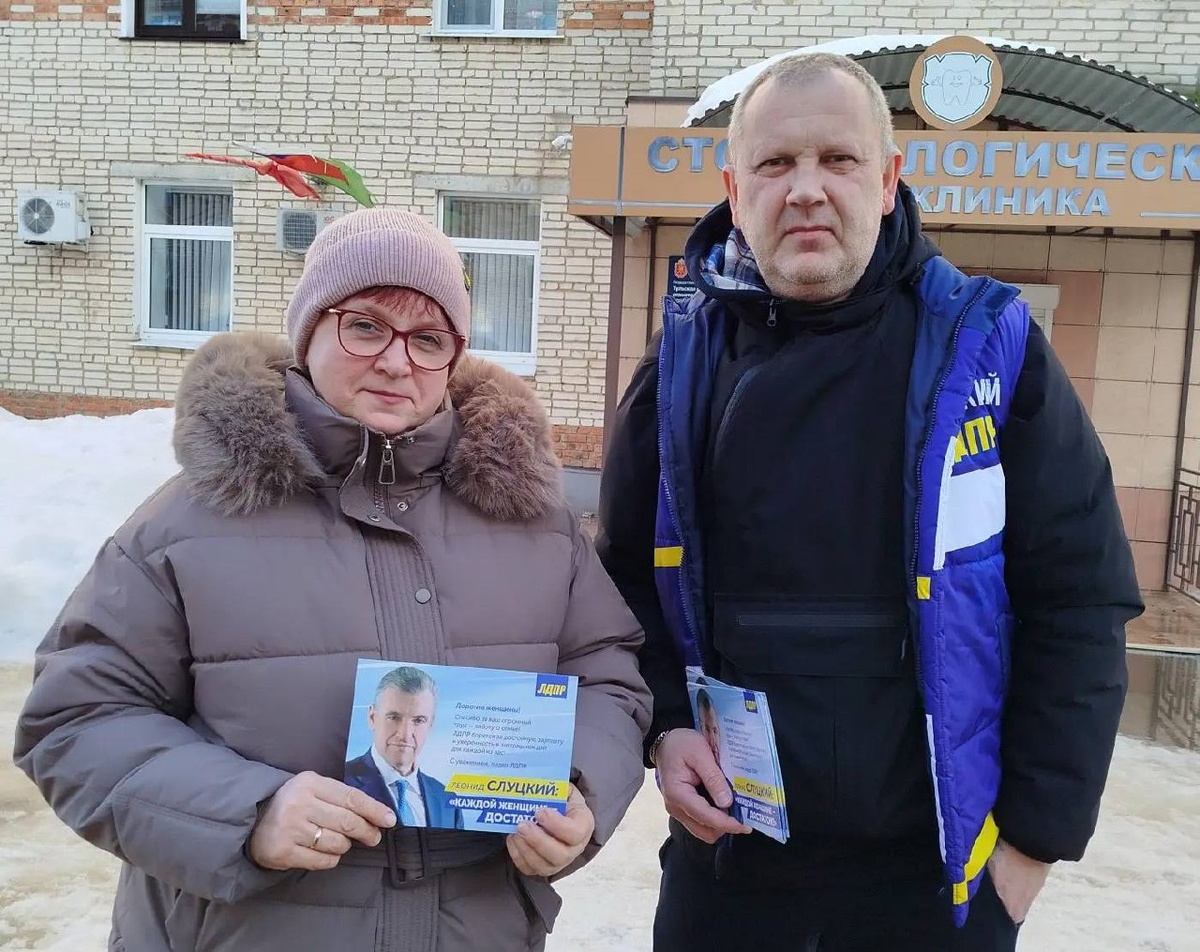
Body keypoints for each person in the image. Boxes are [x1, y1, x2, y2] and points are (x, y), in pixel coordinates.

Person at [597, 52, 1142, 951]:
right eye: (776, 164)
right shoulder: (682, 362)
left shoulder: (989, 350)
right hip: (730, 872)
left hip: (931, 888)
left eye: (838, 160)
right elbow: (621, 581)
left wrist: (1030, 852)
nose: (806, 189)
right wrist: (664, 727)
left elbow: (1081, 600)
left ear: (888, 181)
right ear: (735, 191)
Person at [15, 208, 652, 952]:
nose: (397, 362)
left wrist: (581, 790)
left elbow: (609, 678)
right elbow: (76, 720)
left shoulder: (533, 524)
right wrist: (245, 814)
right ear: (310, 332)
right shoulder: (189, 522)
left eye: (428, 339)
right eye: (366, 327)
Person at [344, 666, 462, 829]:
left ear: (430, 726)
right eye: (394, 717)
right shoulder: (340, 781)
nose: (405, 734)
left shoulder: (447, 800)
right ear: (372, 718)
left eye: (419, 720)